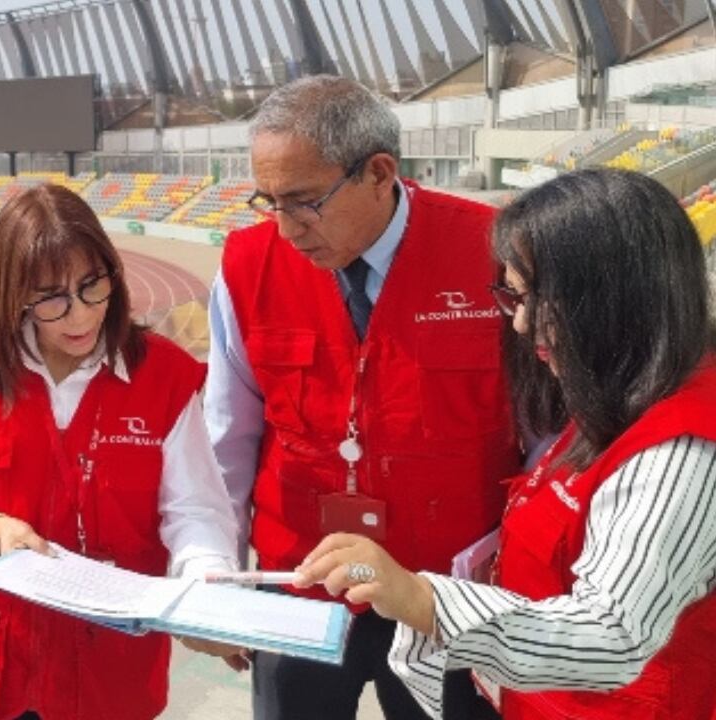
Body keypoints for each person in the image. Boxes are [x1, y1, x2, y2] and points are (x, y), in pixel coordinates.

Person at [295, 168, 716, 720]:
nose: (519, 324)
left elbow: (613, 634)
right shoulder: (621, 398)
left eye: (531, 299)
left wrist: (420, 597)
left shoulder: (678, 452)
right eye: (510, 297)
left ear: (611, 297)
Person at [205, 75, 520, 720]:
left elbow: (545, 436)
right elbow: (227, 437)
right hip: (299, 588)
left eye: (302, 201)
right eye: (268, 202)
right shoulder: (247, 264)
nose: (286, 229)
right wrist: (220, 580)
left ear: (380, 172)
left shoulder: (495, 253)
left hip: (445, 596)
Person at [0, 184, 240, 720]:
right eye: (52, 297)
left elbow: (196, 511)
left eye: (91, 286)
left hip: (108, 678)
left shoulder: (164, 377)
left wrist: (204, 586)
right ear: (15, 295)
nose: (79, 316)